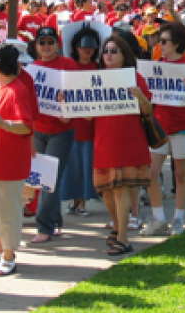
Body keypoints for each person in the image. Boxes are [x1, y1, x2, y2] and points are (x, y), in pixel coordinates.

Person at [140, 22, 185, 237]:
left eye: (165, 41)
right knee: (151, 173)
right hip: (160, 126)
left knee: (181, 174)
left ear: (176, 44)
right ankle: (158, 218)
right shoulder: (157, 64)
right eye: (160, 40)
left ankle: (179, 218)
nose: (161, 44)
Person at [93, 35, 153, 255]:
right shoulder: (95, 79)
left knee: (120, 188)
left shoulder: (135, 78)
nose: (108, 55)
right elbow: (87, 115)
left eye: (113, 51)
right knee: (105, 190)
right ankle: (117, 227)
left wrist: (140, 98)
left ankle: (124, 238)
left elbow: (148, 111)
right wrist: (67, 101)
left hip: (128, 138)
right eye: (106, 51)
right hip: (104, 140)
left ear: (124, 55)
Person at [0, 44, 35, 276]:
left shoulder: (16, 90)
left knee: (7, 210)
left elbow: (26, 126)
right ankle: (0, 249)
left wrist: (4, 124)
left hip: (8, 163)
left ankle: (9, 255)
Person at [29, 26, 79, 243]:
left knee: (49, 180)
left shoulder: (69, 66)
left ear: (57, 44)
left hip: (61, 131)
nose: (46, 46)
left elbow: (80, 96)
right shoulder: (31, 69)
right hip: (39, 130)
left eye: (50, 42)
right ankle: (55, 221)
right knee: (44, 180)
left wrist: (69, 108)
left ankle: (44, 227)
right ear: (36, 46)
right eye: (42, 43)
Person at [60, 27, 101, 216]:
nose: (87, 51)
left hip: (92, 124)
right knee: (73, 165)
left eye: (91, 48)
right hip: (72, 123)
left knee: (87, 165)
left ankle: (83, 202)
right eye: (84, 47)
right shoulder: (69, 66)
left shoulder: (99, 68)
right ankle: (74, 200)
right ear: (76, 47)